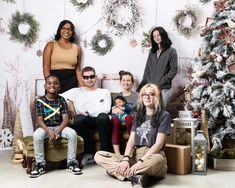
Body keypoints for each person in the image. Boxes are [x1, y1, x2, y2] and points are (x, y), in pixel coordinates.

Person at [95, 83, 171, 187]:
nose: (147, 97)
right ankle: (135, 176)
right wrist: (126, 159)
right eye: (144, 94)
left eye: (151, 94)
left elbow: (158, 144)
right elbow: (131, 141)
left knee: (158, 160)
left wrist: (141, 162)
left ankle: (122, 172)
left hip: (152, 156)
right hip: (135, 155)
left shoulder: (164, 115)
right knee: (99, 155)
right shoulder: (139, 115)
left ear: (157, 97)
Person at [29, 75, 82, 178]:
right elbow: (39, 121)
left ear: (59, 87)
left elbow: (65, 119)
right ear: (45, 86)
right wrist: (49, 131)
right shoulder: (40, 101)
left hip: (60, 126)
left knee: (72, 133)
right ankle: (40, 164)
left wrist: (57, 131)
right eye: (49, 83)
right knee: (37, 135)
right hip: (45, 127)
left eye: (55, 83)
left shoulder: (62, 100)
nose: (52, 85)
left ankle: (71, 163)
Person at [60, 66, 112, 166]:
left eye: (91, 77)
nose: (89, 80)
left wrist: (88, 112)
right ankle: (89, 153)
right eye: (86, 77)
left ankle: (105, 153)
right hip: (84, 120)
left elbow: (106, 109)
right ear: (83, 79)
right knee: (79, 119)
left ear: (95, 77)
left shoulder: (104, 92)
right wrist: (69, 103)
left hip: (99, 120)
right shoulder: (76, 91)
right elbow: (60, 97)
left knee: (103, 117)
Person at [137, 26, 178, 108]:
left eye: (158, 35)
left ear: (163, 35)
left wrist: (162, 81)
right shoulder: (152, 52)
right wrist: (142, 85)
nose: (156, 38)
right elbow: (147, 70)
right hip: (150, 88)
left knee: (160, 111)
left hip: (163, 88)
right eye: (154, 36)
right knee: (150, 111)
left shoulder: (172, 51)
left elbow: (173, 71)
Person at [43, 20, 84, 93]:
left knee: (70, 103)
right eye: (64, 28)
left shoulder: (77, 48)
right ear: (59, 30)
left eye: (70, 29)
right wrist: (49, 83)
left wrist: (84, 89)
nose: (67, 31)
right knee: (53, 103)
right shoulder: (51, 45)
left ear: (72, 32)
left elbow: (78, 70)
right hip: (55, 80)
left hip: (71, 81)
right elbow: (46, 67)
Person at [111, 70, 138, 155]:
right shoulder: (115, 96)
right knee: (114, 120)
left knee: (129, 118)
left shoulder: (137, 96)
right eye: (124, 80)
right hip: (118, 121)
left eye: (128, 80)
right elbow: (110, 110)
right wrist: (113, 110)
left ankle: (131, 152)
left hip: (130, 122)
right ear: (120, 82)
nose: (126, 83)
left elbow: (141, 111)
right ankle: (117, 154)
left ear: (132, 83)